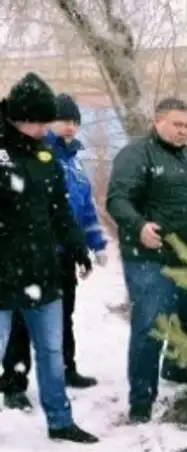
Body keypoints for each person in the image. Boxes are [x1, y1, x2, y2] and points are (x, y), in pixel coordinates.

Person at [106, 97, 187, 423]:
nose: (184, 131)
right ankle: (141, 401)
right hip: (149, 256)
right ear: (159, 122)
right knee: (151, 325)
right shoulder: (136, 154)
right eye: (177, 124)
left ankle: (177, 367)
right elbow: (118, 199)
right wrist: (138, 225)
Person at [0, 72, 98, 443]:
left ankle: (60, 422)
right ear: (21, 118)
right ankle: (12, 385)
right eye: (41, 122)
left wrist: (78, 247)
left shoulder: (46, 155)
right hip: (2, 274)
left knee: (53, 353)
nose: (47, 129)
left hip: (43, 271)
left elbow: (60, 211)